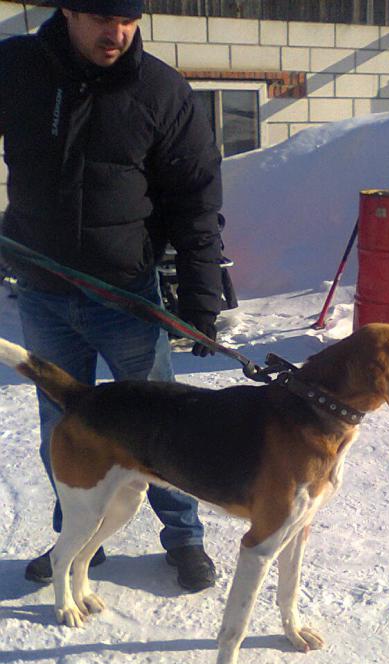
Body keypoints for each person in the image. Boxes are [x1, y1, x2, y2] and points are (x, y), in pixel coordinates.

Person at [0, 0, 226, 591]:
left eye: (128, 21)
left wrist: (200, 292)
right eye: (103, 18)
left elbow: (196, 195)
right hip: (43, 289)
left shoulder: (160, 89)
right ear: (68, 12)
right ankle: (77, 540)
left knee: (162, 421)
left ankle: (185, 538)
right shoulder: (17, 68)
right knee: (63, 423)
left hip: (125, 293)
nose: (117, 33)